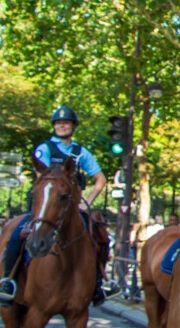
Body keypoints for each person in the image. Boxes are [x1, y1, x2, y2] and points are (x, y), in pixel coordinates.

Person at [0, 106, 120, 307]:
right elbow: (43, 180)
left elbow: (100, 179)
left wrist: (86, 202)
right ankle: (8, 282)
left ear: (73, 126)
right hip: (46, 206)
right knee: (16, 234)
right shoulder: (44, 149)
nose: (62, 125)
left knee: (100, 236)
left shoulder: (81, 152)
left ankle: (99, 285)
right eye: (58, 123)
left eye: (66, 122)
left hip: (72, 208)